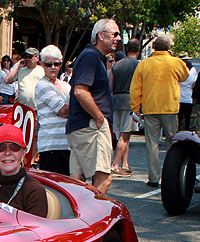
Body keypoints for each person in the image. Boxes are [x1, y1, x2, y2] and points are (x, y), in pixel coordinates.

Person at [65, 18, 121, 195]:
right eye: (115, 34)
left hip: (81, 127)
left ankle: (75, 219)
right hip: (90, 127)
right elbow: (80, 91)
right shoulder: (90, 57)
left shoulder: (91, 57)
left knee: (77, 183)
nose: (118, 38)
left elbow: (74, 91)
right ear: (100, 35)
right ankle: (90, 218)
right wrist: (99, 118)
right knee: (104, 179)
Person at [129, 36, 188, 188]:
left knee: (152, 144)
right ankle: (172, 174)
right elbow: (185, 76)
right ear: (168, 48)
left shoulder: (144, 64)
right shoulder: (176, 62)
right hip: (169, 107)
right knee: (172, 143)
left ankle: (153, 178)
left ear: (153, 47)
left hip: (150, 108)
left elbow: (135, 88)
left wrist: (136, 107)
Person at [0, 124, 47, 218]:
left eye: (14, 147)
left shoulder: (34, 190)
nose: (7, 153)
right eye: (1, 147)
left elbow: (34, 230)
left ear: (24, 152)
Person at [34, 45, 70, 175]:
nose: (53, 67)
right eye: (49, 64)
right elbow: (63, 110)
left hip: (68, 144)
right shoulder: (42, 85)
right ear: (42, 65)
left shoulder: (65, 85)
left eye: (57, 63)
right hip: (51, 144)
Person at [109, 38, 140, 176]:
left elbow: (110, 86)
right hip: (130, 100)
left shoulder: (116, 65)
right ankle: (115, 165)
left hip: (116, 100)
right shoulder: (138, 65)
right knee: (125, 134)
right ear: (138, 50)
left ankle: (125, 164)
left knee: (123, 133)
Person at [178, 56, 196, 131]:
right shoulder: (192, 76)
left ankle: (178, 130)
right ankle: (187, 130)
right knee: (188, 117)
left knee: (179, 117)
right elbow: (194, 86)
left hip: (180, 98)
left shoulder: (180, 75)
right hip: (189, 98)